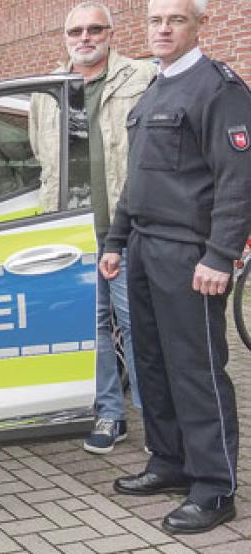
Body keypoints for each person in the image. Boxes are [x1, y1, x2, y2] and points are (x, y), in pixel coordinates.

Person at [100, 0, 251, 534]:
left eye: (176, 20)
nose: (162, 29)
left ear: (198, 25)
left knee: (195, 369)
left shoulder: (220, 88)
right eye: (154, 21)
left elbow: (238, 179)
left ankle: (214, 488)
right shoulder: (153, 90)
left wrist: (221, 254)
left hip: (189, 255)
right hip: (143, 248)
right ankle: (170, 461)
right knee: (154, 364)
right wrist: (117, 240)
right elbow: (135, 181)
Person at [29, 1, 157, 455]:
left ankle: (157, 422)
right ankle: (110, 413)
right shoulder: (47, 92)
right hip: (71, 234)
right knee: (92, 328)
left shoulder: (141, 80)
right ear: (65, 38)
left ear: (110, 35)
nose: (84, 38)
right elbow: (43, 159)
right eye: (75, 31)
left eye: (94, 30)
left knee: (137, 323)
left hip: (126, 229)